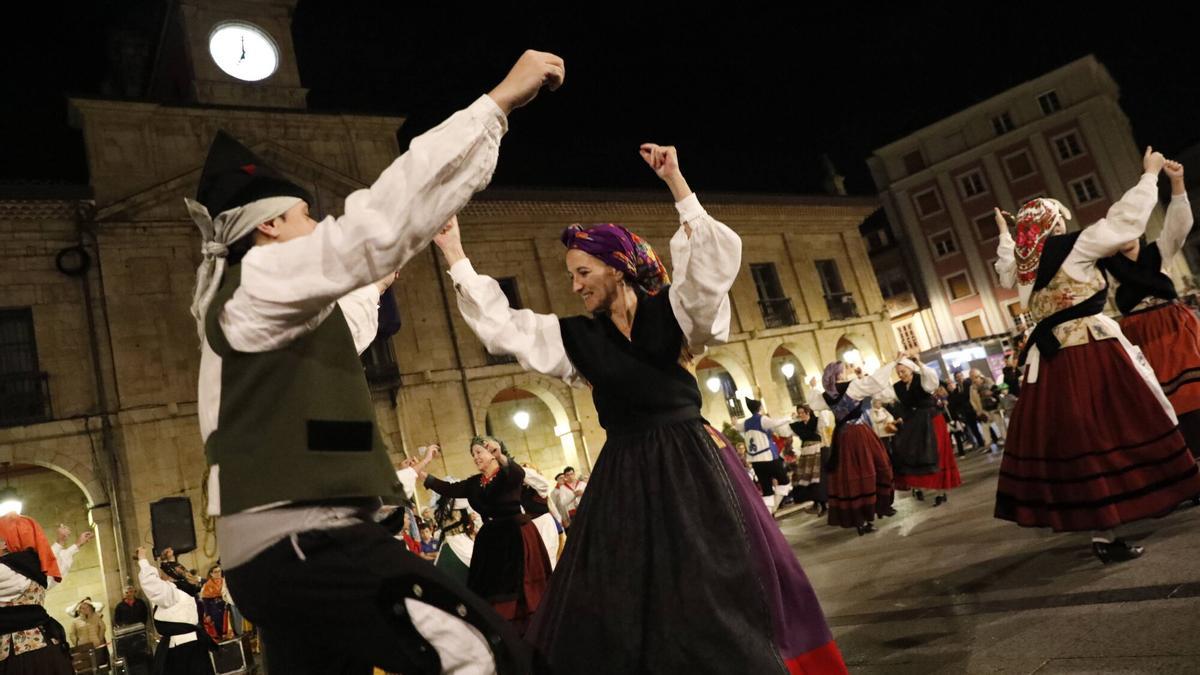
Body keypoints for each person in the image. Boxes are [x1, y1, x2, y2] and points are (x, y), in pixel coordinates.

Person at [191, 49, 564, 673]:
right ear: (270, 228)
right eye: (307, 216)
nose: (318, 225)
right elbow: (370, 227)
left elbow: (344, 321)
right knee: (490, 659)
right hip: (309, 542)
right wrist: (497, 103)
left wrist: (379, 280)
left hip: (273, 559)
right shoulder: (255, 282)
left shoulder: (250, 314)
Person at [436, 143, 846, 672]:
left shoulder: (675, 313)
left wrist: (677, 184)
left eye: (584, 272)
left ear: (619, 268)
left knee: (718, 576)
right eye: (571, 275)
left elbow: (710, 269)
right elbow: (504, 325)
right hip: (624, 473)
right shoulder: (576, 339)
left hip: (694, 464)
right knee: (625, 592)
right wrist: (455, 256)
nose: (575, 284)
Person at [992, 148, 1200, 563]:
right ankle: (1155, 493)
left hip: (1050, 365)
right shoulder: (1077, 246)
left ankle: (1104, 533)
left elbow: (1005, 265)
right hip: (1091, 351)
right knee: (1121, 427)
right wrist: (1149, 175)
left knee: (1080, 443)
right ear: (1055, 223)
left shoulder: (1022, 268)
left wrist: (1004, 232)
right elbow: (1125, 219)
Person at [1100, 159, 1200, 460]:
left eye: (1132, 224)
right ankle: (1183, 464)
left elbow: (1179, 225)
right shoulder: (1105, 264)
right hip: (1137, 337)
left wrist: (1177, 182)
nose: (1127, 232)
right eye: (1121, 226)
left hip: (1174, 330)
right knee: (1157, 403)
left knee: (1193, 392)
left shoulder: (1158, 250)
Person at [415, 439, 552, 635]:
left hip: (516, 535)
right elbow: (447, 488)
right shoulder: (474, 483)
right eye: (473, 454)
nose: (476, 457)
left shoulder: (507, 474)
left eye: (479, 452)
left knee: (519, 583)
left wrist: (501, 456)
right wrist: (420, 469)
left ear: (492, 453)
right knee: (490, 586)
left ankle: (530, 626)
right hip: (491, 539)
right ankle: (500, 628)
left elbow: (517, 474)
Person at [809, 362, 897, 535]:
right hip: (859, 433)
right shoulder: (853, 386)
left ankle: (859, 519)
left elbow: (813, 404)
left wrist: (812, 387)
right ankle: (878, 508)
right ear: (840, 375)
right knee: (876, 467)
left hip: (842, 437)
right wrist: (892, 364)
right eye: (844, 370)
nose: (847, 371)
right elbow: (875, 382)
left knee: (851, 476)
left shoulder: (826, 395)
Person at [0, 514, 73, 674]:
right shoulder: (37, 566)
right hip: (47, 649)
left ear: (6, 542)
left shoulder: (5, 571)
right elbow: (53, 563)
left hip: (18, 657)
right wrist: (60, 542)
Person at [890, 358, 962, 506]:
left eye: (903, 371)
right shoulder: (898, 387)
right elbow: (899, 405)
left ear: (911, 369)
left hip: (932, 420)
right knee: (914, 453)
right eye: (898, 373)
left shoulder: (922, 379)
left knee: (936, 453)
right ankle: (917, 487)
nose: (901, 375)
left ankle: (940, 491)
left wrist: (920, 364)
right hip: (914, 423)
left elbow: (932, 379)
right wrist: (900, 418)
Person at [136, 547, 214, 675]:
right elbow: (173, 573)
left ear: (168, 577)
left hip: (181, 650)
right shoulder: (184, 589)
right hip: (193, 645)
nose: (159, 576)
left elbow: (150, 583)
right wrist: (167, 559)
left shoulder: (172, 592)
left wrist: (142, 559)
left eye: (162, 574)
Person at [735, 398, 796, 511]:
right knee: (785, 482)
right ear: (760, 408)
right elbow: (775, 423)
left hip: (756, 462)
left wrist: (735, 422)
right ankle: (773, 509)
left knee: (767, 489)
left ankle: (768, 514)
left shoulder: (746, 423)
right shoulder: (762, 419)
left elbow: (737, 427)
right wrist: (789, 417)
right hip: (768, 458)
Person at [788, 405, 826, 514]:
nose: (801, 415)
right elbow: (787, 429)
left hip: (816, 450)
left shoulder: (816, 421)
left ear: (808, 412)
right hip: (805, 451)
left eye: (802, 412)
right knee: (808, 479)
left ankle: (823, 504)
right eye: (799, 413)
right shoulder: (798, 425)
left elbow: (822, 432)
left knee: (818, 478)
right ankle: (816, 503)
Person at [68, 599, 108, 667]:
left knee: (99, 665)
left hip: (96, 646)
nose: (86, 609)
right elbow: (72, 634)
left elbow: (103, 627)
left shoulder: (96, 617)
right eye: (83, 608)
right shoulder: (75, 622)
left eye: (87, 607)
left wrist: (100, 639)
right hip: (83, 648)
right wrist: (77, 644)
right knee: (87, 667)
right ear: (80, 610)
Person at [199, 565, 235, 642]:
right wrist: (208, 614)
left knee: (230, 624)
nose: (218, 573)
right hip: (214, 608)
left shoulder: (225, 581)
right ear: (211, 574)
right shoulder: (207, 585)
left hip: (226, 606)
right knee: (219, 627)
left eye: (219, 571)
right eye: (215, 572)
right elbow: (206, 601)